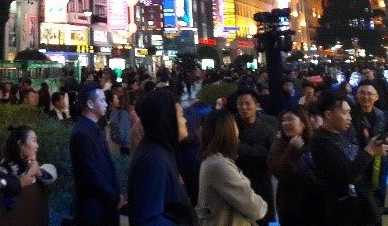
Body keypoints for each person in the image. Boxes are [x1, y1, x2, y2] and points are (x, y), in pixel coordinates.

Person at [310, 90, 388, 226]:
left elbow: (358, 165)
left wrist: (375, 151)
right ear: (328, 114)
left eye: (349, 112)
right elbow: (344, 177)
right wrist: (370, 150)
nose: (349, 117)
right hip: (341, 212)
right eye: (344, 113)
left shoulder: (345, 134)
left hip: (359, 207)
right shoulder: (321, 141)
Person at [128, 89, 195, 226]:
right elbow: (149, 220)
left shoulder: (162, 150)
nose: (185, 120)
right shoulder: (154, 161)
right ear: (167, 119)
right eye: (181, 115)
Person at [196, 109, 267, 226]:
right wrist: (262, 204)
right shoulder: (219, 165)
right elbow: (256, 209)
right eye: (235, 125)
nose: (238, 130)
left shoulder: (212, 160)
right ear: (227, 130)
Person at [69, 82, 122, 226]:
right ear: (90, 104)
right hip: (94, 209)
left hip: (104, 204)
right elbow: (92, 174)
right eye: (102, 100)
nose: (106, 104)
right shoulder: (82, 133)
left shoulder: (94, 128)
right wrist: (113, 196)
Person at [266, 106, 321, 226]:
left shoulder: (315, 141)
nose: (285, 123)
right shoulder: (279, 144)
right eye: (283, 120)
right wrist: (291, 150)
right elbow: (278, 172)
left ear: (303, 123)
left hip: (316, 202)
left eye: (290, 119)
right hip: (291, 206)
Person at [234, 91, 275, 225]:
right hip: (238, 182)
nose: (243, 107)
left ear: (257, 105)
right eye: (240, 104)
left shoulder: (267, 128)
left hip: (261, 181)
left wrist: (241, 147)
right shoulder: (232, 125)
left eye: (247, 103)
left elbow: (269, 154)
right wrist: (258, 150)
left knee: (266, 219)